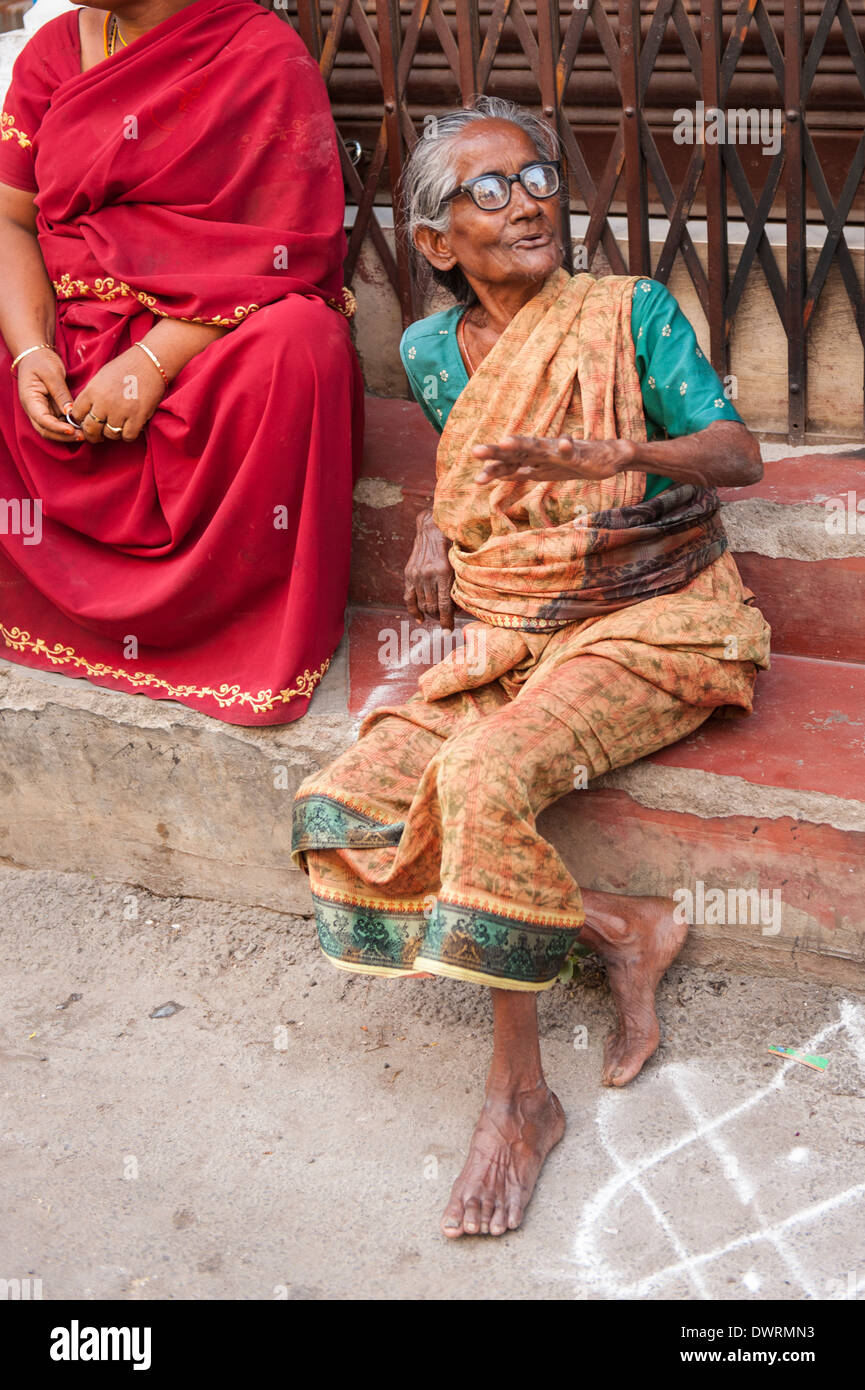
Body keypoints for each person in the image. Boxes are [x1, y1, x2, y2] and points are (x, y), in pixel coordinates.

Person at [292, 96, 771, 1238]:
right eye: (491, 191)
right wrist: (422, 535)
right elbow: (471, 474)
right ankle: (611, 926)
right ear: (435, 241)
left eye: (542, 176)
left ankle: (518, 1100)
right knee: (335, 806)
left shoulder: (628, 311)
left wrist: (628, 449)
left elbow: (738, 453)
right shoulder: (423, 350)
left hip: (654, 617)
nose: (533, 203)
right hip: (510, 621)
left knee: (482, 776)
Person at [0, 0, 363, 724]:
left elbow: (291, 250)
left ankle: (220, 634)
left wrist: (151, 360)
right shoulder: (51, 49)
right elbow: (10, 217)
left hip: (207, 339)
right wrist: (30, 352)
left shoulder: (262, 53)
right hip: (65, 331)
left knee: (303, 342)